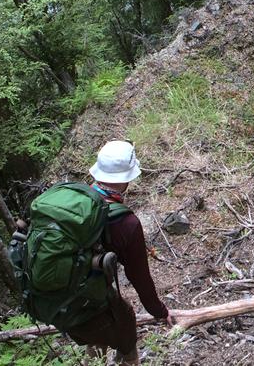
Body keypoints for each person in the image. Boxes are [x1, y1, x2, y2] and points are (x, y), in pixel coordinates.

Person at [66, 141, 175, 365]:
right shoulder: (126, 223)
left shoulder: (74, 200)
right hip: (91, 302)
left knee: (96, 332)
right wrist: (160, 311)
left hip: (63, 300)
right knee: (125, 329)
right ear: (126, 178)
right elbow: (139, 278)